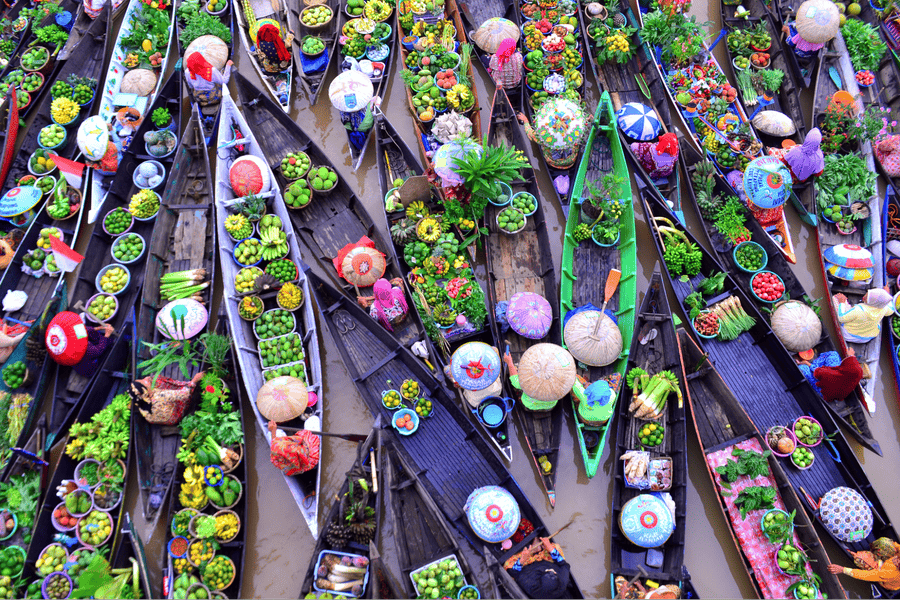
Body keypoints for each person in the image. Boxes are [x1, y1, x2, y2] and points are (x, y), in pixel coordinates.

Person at [503, 536, 571, 599]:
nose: (554, 571)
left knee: (507, 565)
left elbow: (515, 573)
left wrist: (522, 559)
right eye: (554, 573)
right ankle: (541, 548)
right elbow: (564, 565)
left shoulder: (530, 585)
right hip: (544, 562)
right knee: (555, 547)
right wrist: (549, 547)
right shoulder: (563, 580)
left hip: (528, 568)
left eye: (548, 571)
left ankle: (533, 550)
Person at [828, 538, 900, 591]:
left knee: (860, 558)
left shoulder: (893, 574)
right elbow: (896, 546)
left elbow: (868, 575)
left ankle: (851, 551)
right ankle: (873, 551)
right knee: (884, 543)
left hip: (882, 574)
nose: (897, 560)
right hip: (887, 562)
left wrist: (843, 570)